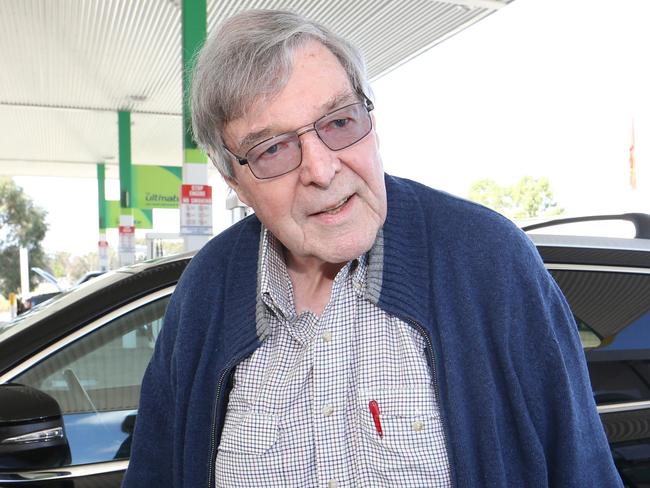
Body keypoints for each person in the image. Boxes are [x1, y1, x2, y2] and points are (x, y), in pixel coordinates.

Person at [123, 9, 622, 488]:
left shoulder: (487, 260)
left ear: (371, 121)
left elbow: (582, 470)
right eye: (273, 148)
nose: (321, 169)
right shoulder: (206, 292)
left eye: (339, 122)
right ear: (234, 179)